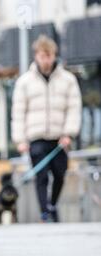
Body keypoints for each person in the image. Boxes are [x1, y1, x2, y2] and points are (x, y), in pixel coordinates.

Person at [11, 35, 82, 223]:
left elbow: (74, 108)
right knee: (40, 176)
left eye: (49, 55)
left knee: (60, 174)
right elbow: (18, 111)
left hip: (60, 138)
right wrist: (20, 140)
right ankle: (45, 212)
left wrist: (68, 133)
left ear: (54, 55)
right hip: (36, 137)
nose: (46, 60)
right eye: (42, 56)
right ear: (36, 56)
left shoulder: (68, 80)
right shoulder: (24, 81)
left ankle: (52, 204)